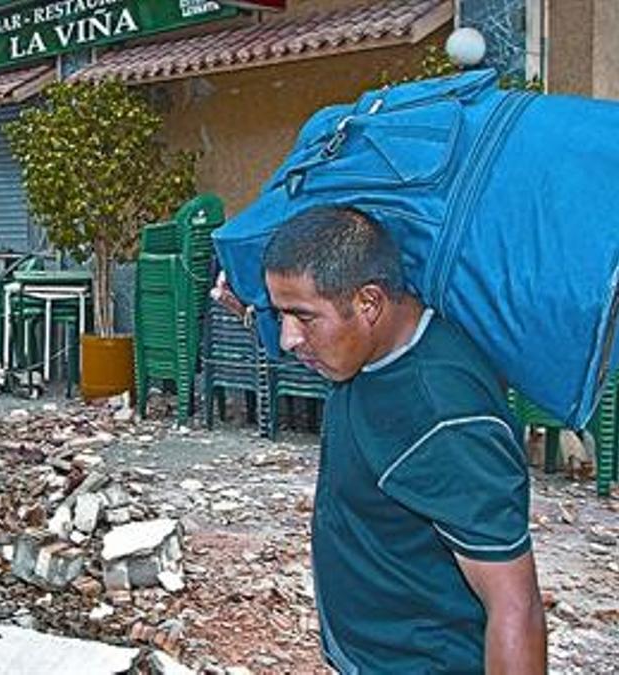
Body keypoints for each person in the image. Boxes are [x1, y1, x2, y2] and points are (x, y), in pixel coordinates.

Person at [212, 205, 546, 673]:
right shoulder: (368, 349)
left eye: (302, 317)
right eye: (280, 313)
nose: (288, 338)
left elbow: (517, 607)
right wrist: (257, 315)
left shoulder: (444, 419)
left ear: (369, 303)